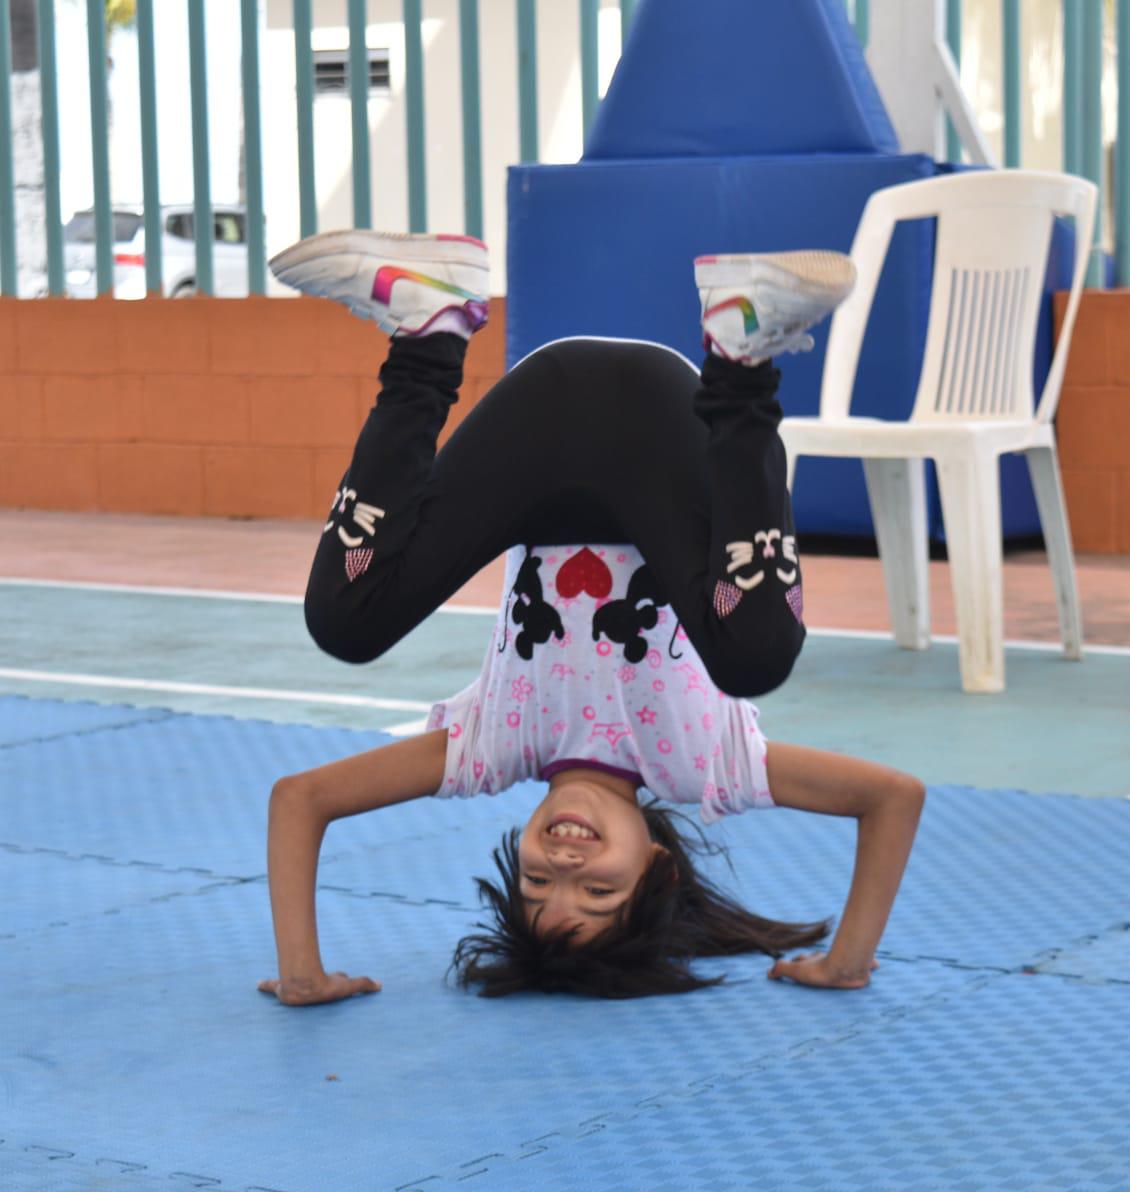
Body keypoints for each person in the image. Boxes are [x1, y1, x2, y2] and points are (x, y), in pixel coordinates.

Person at [257, 230, 926, 1006]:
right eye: (599, 897)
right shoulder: (707, 767)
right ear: (657, 867)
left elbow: (300, 799)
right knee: (756, 661)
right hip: (656, 432)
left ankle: (429, 331)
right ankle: (743, 360)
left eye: (535, 884)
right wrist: (846, 960)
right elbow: (892, 796)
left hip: (538, 431)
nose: (565, 875)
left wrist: (301, 971)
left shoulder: (489, 750)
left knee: (345, 625)